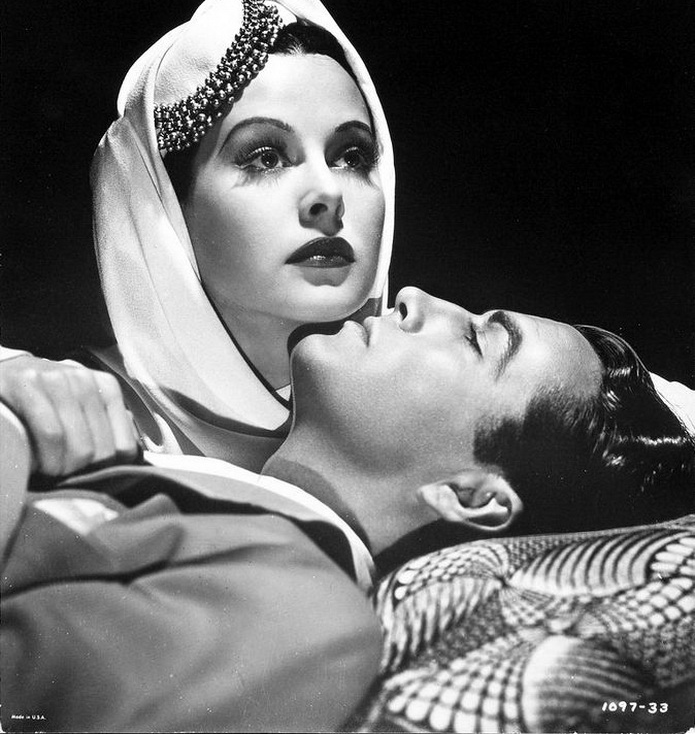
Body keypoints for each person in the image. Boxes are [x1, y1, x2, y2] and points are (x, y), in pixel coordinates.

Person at [2, 287, 694, 733]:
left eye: (476, 340)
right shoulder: (208, 495)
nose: (415, 297)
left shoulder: (298, 614)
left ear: (470, 496)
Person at [0, 0, 395, 474]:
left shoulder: (433, 414)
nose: (329, 194)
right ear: (167, 208)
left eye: (352, 157)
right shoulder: (55, 422)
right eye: (266, 158)